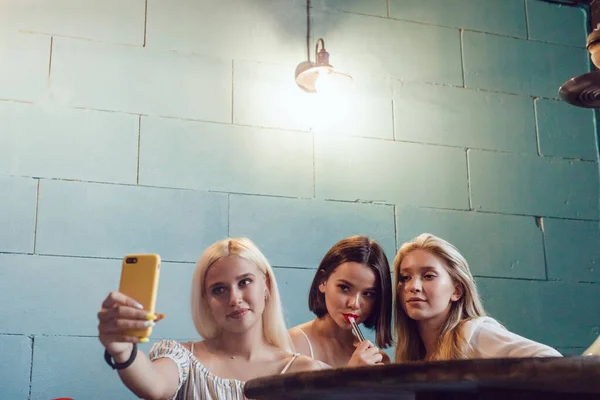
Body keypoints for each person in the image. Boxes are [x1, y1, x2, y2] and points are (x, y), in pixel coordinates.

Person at [98, 238, 321, 400]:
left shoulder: (304, 372)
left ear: (267, 287)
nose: (234, 299)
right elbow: (154, 385)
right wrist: (123, 351)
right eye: (219, 290)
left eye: (244, 282)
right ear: (206, 301)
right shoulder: (183, 359)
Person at [393, 233, 562, 362]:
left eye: (428, 276)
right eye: (405, 277)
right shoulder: (414, 353)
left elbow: (552, 361)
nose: (413, 286)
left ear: (456, 291)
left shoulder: (472, 334)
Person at [289, 236, 394, 368]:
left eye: (368, 294)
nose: (354, 304)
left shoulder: (378, 359)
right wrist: (349, 376)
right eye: (344, 288)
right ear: (323, 281)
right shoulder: (289, 345)